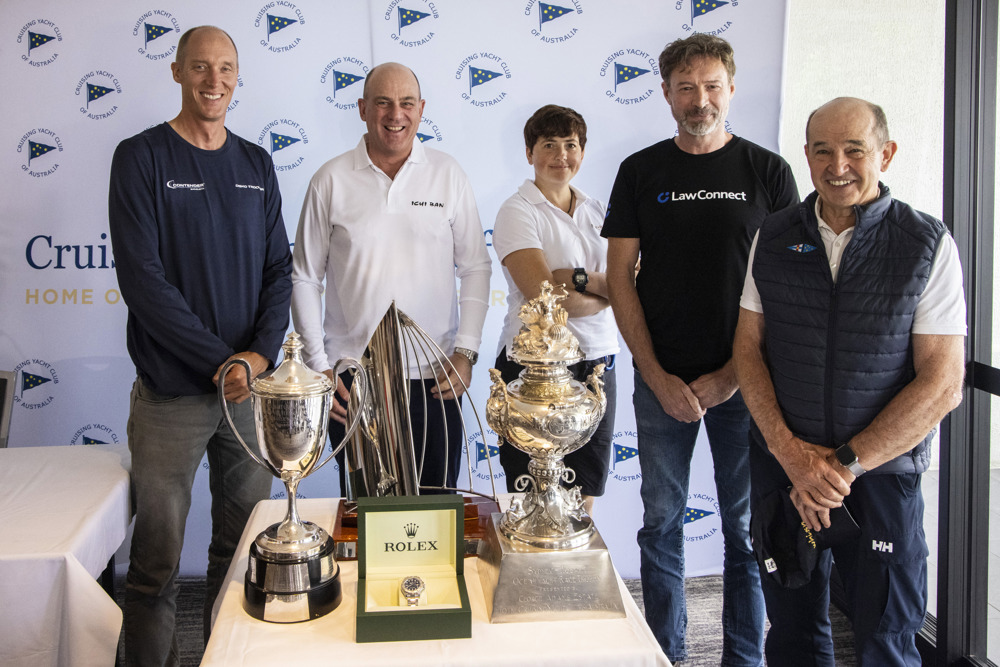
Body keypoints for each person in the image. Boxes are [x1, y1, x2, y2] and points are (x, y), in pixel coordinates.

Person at [733, 97, 966, 666]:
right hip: (785, 473)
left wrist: (837, 469)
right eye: (822, 151)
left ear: (884, 154)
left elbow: (943, 383)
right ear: (806, 158)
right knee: (791, 635)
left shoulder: (926, 243)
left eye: (854, 150)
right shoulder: (774, 234)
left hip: (880, 478)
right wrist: (792, 458)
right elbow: (747, 351)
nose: (838, 164)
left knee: (888, 639)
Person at [603, 34, 800, 665]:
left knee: (747, 531)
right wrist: (655, 375)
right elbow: (619, 281)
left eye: (711, 85)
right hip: (662, 384)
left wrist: (734, 377)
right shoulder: (640, 171)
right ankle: (667, 653)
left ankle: (744, 657)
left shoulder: (768, 173)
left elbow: (787, 288)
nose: (699, 99)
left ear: (731, 89)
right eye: (686, 87)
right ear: (665, 94)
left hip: (750, 384)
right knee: (661, 526)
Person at [108, 25, 292, 665]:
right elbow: (143, 281)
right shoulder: (141, 157)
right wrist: (224, 361)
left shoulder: (256, 163)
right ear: (178, 71)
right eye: (201, 68)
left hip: (248, 396)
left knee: (241, 558)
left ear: (238, 76)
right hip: (172, 399)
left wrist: (259, 357)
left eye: (226, 69)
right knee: (155, 567)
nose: (214, 81)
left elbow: (279, 272)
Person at [291, 62, 491, 493]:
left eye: (405, 103)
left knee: (439, 514)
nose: (394, 114)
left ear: (421, 109)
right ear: (363, 108)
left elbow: (475, 266)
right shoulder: (330, 180)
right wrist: (319, 369)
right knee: (369, 517)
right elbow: (305, 278)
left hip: (436, 379)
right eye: (382, 102)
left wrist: (467, 353)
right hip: (355, 381)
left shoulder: (448, 173)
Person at [492, 104, 619, 514]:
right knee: (532, 496)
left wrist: (578, 279)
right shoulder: (517, 211)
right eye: (549, 144)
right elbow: (543, 301)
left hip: (598, 365)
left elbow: (631, 282)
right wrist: (609, 289)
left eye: (571, 144)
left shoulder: (598, 210)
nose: (561, 155)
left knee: (585, 493)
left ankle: (574, 578)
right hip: (535, 370)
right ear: (530, 152)